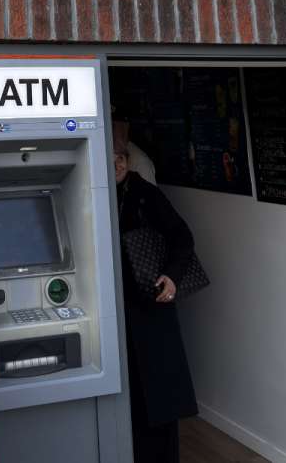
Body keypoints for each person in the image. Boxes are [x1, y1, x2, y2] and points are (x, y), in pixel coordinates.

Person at [115, 143, 198, 463]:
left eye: (119, 160)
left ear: (127, 160)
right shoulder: (99, 192)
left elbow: (182, 236)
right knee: (135, 392)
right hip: (123, 308)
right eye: (109, 161)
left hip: (151, 301)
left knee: (158, 394)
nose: (115, 167)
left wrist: (172, 276)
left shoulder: (145, 193)